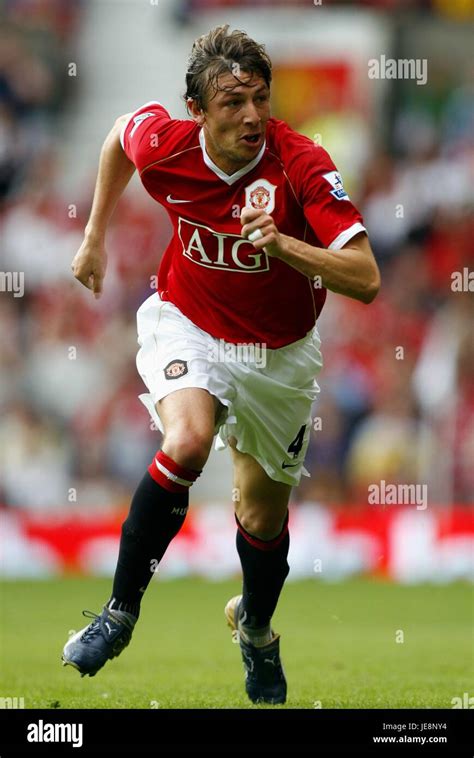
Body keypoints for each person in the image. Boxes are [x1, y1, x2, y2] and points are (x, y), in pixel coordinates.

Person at [62, 25, 380, 705]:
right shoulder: (166, 146)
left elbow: (366, 276)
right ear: (197, 112)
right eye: (232, 103)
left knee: (261, 518)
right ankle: (118, 613)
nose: (251, 116)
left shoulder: (301, 163)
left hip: (279, 357)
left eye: (260, 99)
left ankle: (257, 632)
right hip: (189, 323)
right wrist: (94, 237)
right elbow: (121, 134)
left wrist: (287, 248)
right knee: (187, 439)